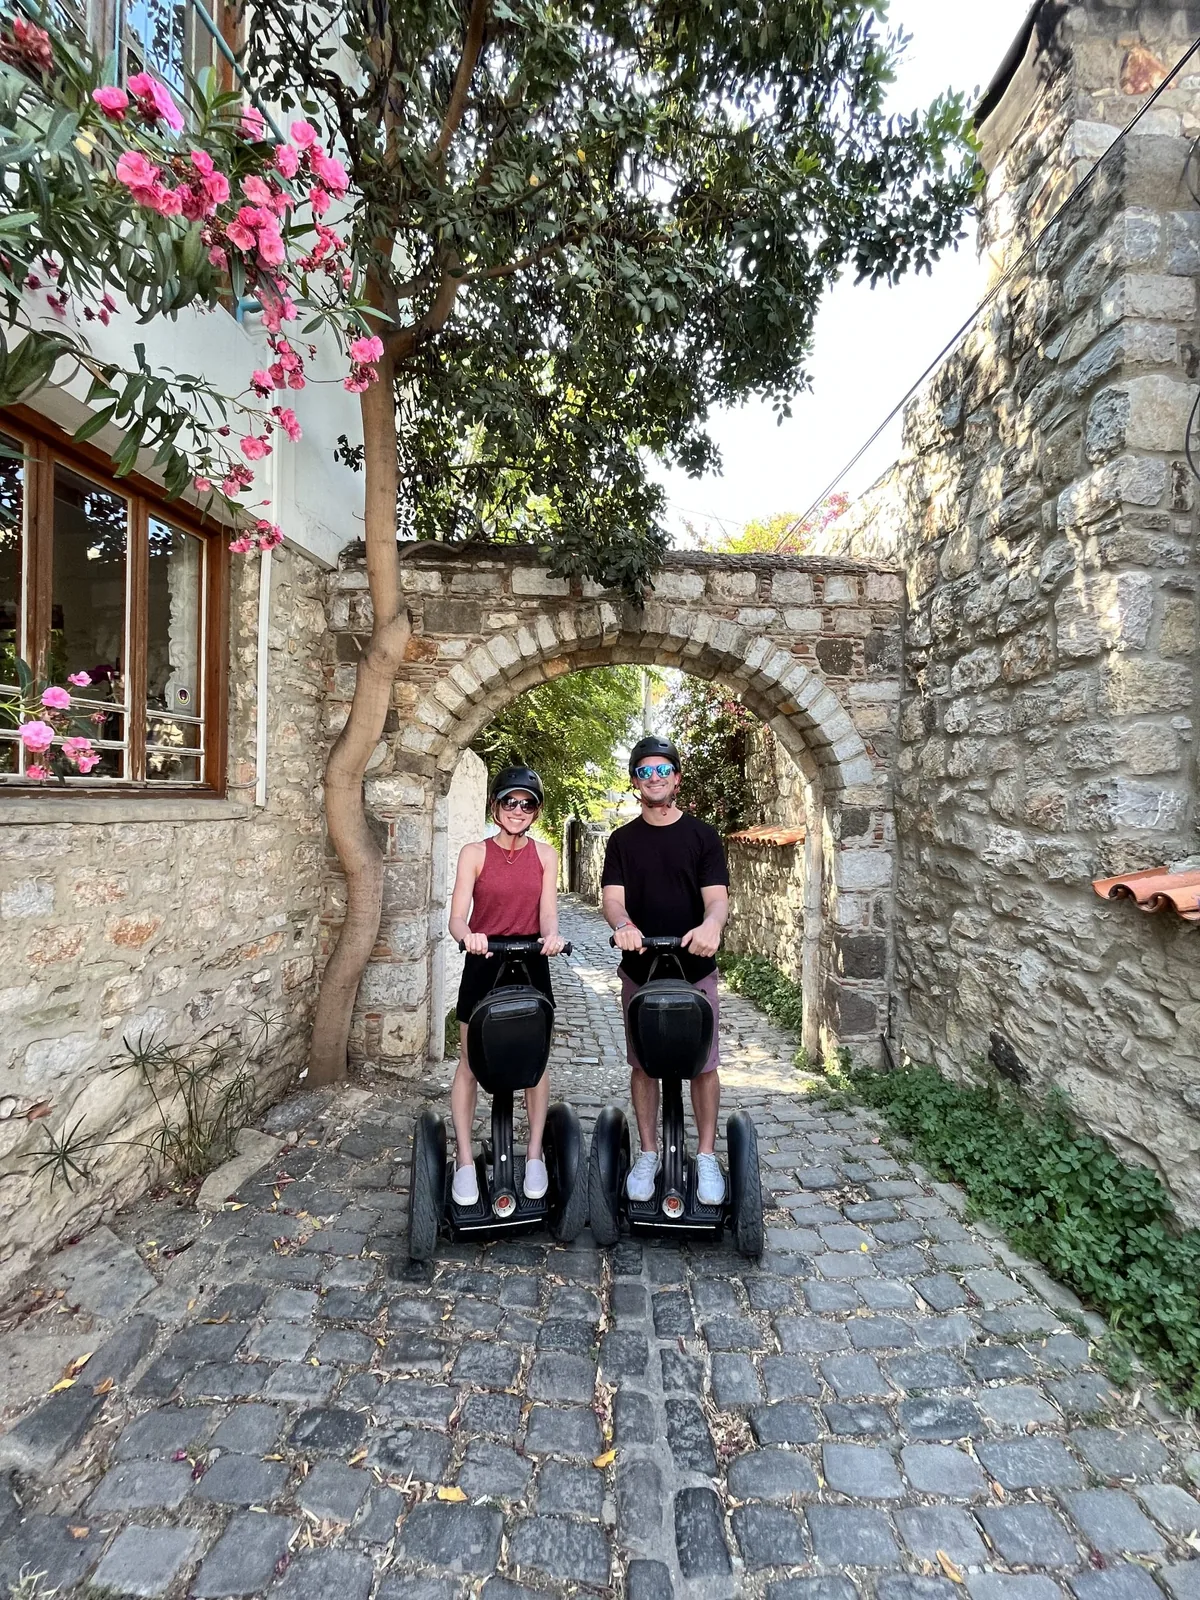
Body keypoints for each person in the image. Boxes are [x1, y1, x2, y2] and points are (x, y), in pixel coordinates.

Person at [601, 734, 730, 1206]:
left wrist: (712, 925)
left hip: (695, 968)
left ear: (676, 778)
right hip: (641, 968)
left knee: (704, 1063)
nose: (654, 778)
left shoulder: (702, 836)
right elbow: (613, 899)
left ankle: (709, 1155)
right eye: (644, 772)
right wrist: (624, 924)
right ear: (635, 782)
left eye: (662, 770)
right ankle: (649, 1153)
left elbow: (716, 899)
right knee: (643, 1064)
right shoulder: (622, 841)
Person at [447, 765, 566, 1206]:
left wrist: (551, 936)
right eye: (510, 802)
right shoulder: (474, 853)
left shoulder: (545, 855)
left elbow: (548, 911)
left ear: (535, 812)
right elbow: (457, 916)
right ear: (496, 806)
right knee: (470, 1063)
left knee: (535, 1063)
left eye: (527, 804)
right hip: (484, 959)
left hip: (531, 963)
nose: (518, 810)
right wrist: (468, 936)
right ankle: (463, 1159)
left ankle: (533, 1154)